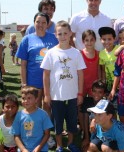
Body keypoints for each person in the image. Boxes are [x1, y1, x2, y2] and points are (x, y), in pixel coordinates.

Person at [41, 20, 85, 152]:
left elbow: (80, 74)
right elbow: (46, 75)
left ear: (71, 34)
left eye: (66, 33)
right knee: (58, 123)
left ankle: (70, 143)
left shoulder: (76, 53)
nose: (63, 36)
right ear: (55, 35)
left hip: (72, 95)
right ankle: (60, 145)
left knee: (72, 122)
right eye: (60, 33)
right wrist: (47, 95)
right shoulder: (51, 53)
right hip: (56, 96)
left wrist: (80, 93)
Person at [16, 12, 58, 108]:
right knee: (35, 108)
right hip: (33, 81)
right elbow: (23, 65)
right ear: (34, 23)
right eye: (38, 22)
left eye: (43, 22)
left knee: (48, 107)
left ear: (47, 24)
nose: (40, 25)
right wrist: (24, 84)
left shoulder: (54, 38)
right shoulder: (27, 39)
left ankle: (48, 123)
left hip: (51, 80)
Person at [11, 86, 53, 152]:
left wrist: (38, 148)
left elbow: (47, 134)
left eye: (29, 98)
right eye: (23, 98)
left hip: (41, 149)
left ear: (36, 99)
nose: (25, 101)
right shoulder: (19, 115)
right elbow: (16, 135)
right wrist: (23, 149)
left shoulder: (43, 114)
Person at [81, 80, 107, 151]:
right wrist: (86, 137)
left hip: (104, 134)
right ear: (91, 91)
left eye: (100, 92)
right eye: (94, 91)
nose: (96, 94)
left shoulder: (107, 104)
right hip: (90, 132)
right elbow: (85, 120)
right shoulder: (87, 101)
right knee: (85, 148)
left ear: (104, 94)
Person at [98, 27, 120, 93]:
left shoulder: (119, 49)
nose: (107, 42)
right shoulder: (101, 54)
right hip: (109, 84)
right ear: (100, 40)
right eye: (104, 39)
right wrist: (104, 82)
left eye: (109, 39)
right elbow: (103, 70)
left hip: (120, 82)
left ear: (114, 39)